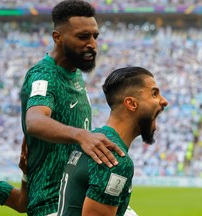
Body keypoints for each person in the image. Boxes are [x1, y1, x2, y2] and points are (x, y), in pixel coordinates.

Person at [20, 0, 124, 215]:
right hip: (51, 204)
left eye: (95, 36)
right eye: (83, 37)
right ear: (57, 37)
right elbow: (35, 121)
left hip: (76, 198)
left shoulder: (74, 72)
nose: (93, 44)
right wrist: (81, 136)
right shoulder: (45, 74)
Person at [57, 67, 168, 216]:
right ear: (131, 104)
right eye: (154, 94)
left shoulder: (93, 140)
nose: (164, 101)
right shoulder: (112, 157)